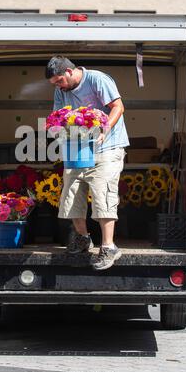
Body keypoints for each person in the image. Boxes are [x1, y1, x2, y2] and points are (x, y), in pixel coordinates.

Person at [45, 56, 129, 270]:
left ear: (70, 72)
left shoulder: (97, 79)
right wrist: (57, 130)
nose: (57, 86)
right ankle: (83, 238)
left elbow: (118, 107)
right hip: (77, 148)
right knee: (70, 193)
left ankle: (109, 247)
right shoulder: (60, 91)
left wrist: (104, 128)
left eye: (59, 81)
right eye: (54, 83)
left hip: (107, 147)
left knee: (103, 193)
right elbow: (57, 117)